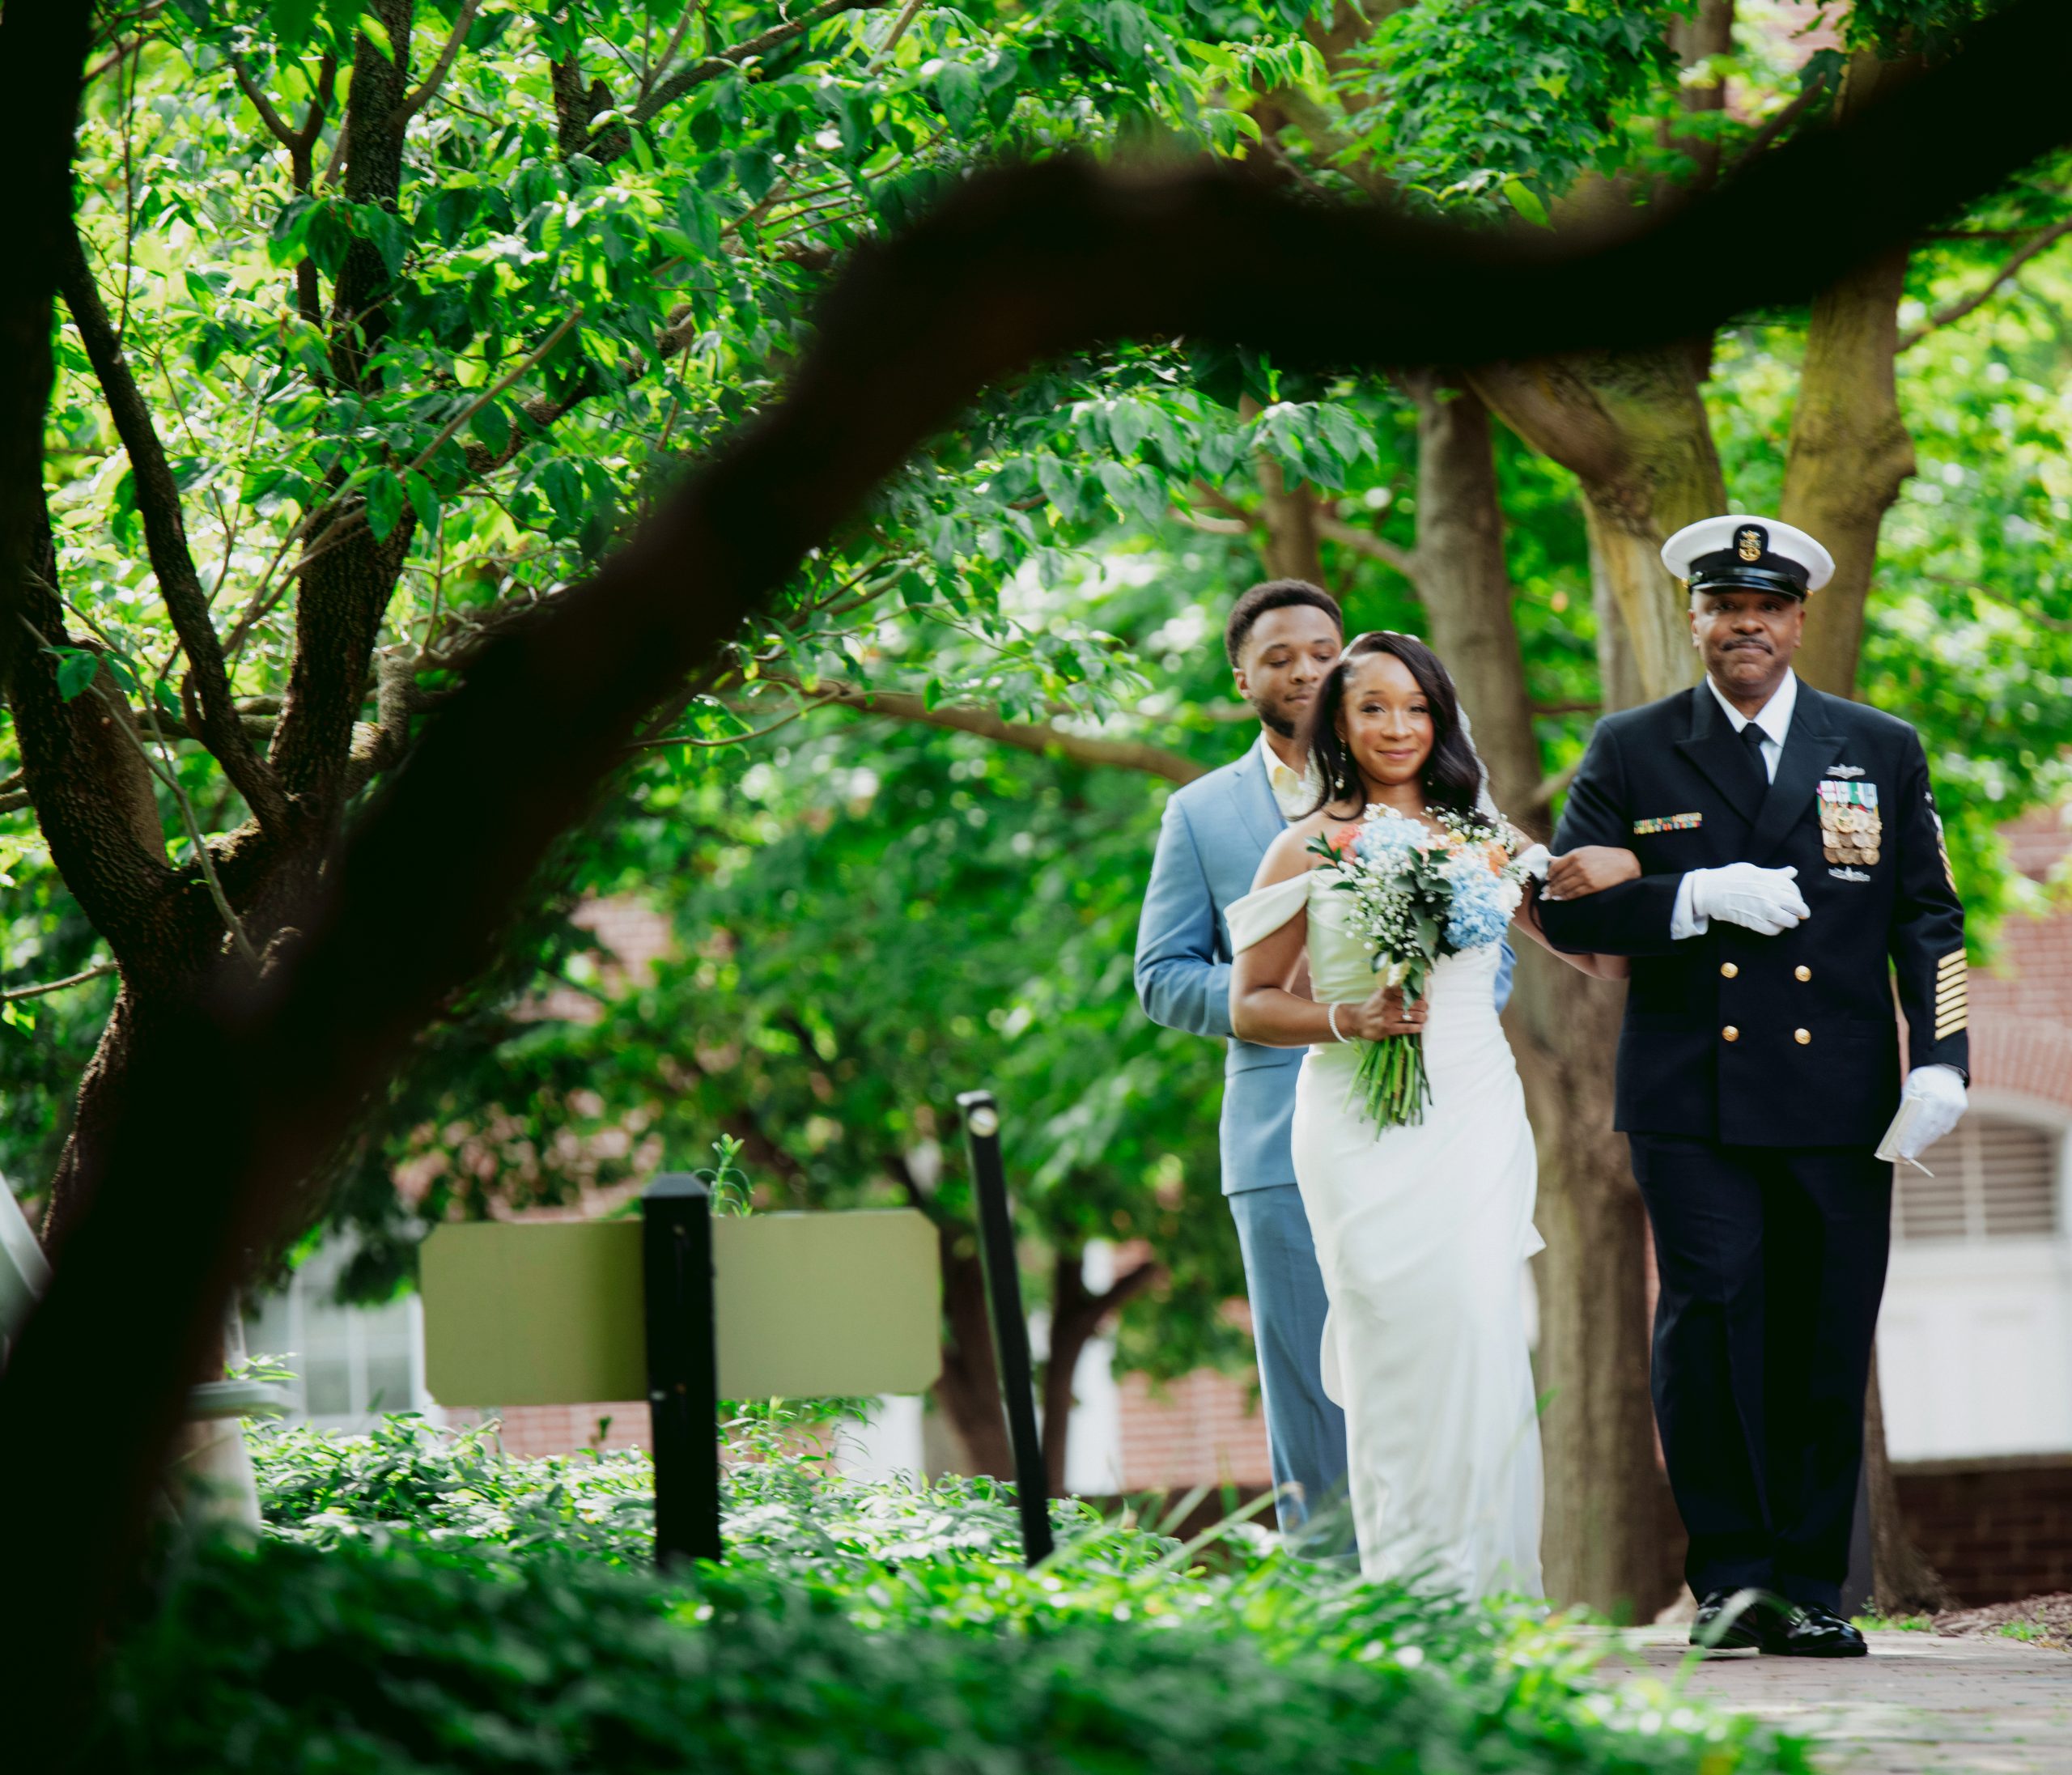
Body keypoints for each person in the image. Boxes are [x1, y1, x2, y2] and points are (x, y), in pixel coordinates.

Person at [1537, 515, 1970, 1658]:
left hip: (1839, 1099)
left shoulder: (1877, 745)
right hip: (1692, 1098)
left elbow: (1930, 914)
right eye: (1726, 606)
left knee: (1826, 1335)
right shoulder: (1633, 747)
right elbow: (1565, 904)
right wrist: (1692, 895)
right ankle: (1733, 1583)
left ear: (1798, 620)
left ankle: (1814, 1584)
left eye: (1768, 607)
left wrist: (1941, 1055)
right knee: (1711, 1326)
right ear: (1694, 619)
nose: (1747, 626)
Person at [1224, 631, 1637, 1597]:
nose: (1398, 726)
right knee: (1385, 1328)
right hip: (1351, 1121)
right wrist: (1349, 1017)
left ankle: (1492, 1587)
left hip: (1471, 1108)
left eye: (1416, 707)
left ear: (1442, 718)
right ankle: (1408, 1588)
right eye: (1373, 707)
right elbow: (1251, 1002)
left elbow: (1600, 959)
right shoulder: (1307, 844)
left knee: (1473, 1319)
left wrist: (1615, 872)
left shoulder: (1488, 838)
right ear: (1339, 721)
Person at [1136, 580, 1516, 1549]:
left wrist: (1438, 1002)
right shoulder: (1203, 813)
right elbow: (1161, 977)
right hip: (1283, 1134)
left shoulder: (1445, 802)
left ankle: (1446, 1570)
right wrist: (1315, 1007)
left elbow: (1499, 954)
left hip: (1442, 1124)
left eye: (1319, 651)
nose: (1303, 669)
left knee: (1446, 1348)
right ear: (1242, 677)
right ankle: (1341, 1618)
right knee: (1315, 1389)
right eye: (1278, 657)